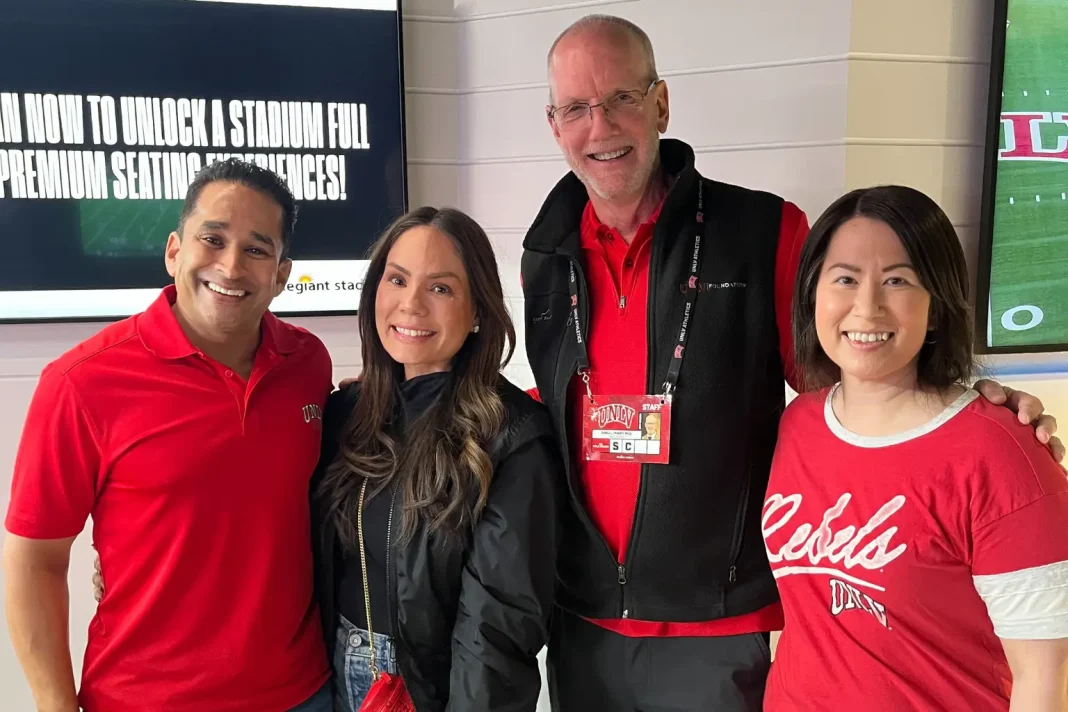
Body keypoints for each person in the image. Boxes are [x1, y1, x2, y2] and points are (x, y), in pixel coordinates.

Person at [520, 14, 1064, 711]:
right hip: (584, 616)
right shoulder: (546, 250)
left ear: (660, 103)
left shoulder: (763, 231)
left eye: (622, 98)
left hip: (716, 628)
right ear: (553, 122)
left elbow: (857, 380)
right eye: (576, 108)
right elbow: (565, 388)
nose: (600, 126)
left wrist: (966, 405)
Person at [3, 158, 335, 712]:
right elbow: (34, 559)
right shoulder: (80, 383)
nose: (231, 267)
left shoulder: (309, 363)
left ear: (281, 274)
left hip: (300, 694)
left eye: (257, 249)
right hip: (144, 700)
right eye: (213, 239)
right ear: (175, 251)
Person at [763, 185, 1068, 710]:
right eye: (845, 279)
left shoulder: (1001, 454)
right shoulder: (798, 424)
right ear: (813, 293)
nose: (867, 306)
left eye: (898, 281)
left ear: (936, 303)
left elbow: (1043, 680)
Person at [311, 206, 562, 711]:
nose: (411, 305)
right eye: (397, 280)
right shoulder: (345, 415)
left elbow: (497, 627)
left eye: (441, 288)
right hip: (325, 680)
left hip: (429, 691)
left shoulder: (510, 437)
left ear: (476, 312)